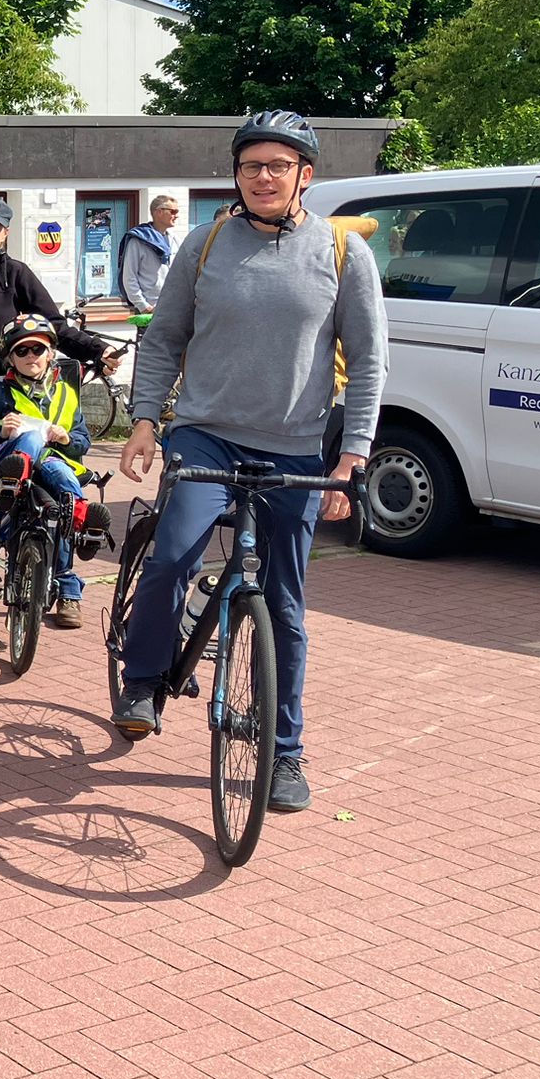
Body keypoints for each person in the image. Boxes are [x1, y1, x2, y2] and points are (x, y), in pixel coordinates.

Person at [111, 110, 387, 816]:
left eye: (278, 165)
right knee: (173, 556)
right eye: (250, 165)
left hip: (293, 445)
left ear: (305, 175)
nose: (263, 177)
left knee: (286, 606)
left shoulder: (342, 253)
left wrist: (352, 457)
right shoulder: (203, 245)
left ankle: (284, 751)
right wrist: (144, 421)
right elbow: (164, 338)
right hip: (205, 434)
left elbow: (368, 361)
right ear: (235, 175)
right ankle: (143, 678)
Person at [0, 197, 116, 510]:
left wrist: (98, 350)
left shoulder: (16, 274)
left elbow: (53, 326)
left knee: (21, 486)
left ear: (6, 234)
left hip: (6, 405)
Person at [0, 315, 112, 628]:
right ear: (10, 358)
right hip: (5, 462)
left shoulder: (67, 393)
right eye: (22, 351)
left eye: (38, 349)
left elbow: (83, 441)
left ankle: (81, 526)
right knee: (31, 437)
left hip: (50, 464)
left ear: (50, 353)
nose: (30, 356)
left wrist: (67, 438)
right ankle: (16, 479)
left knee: (60, 498)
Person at [119, 195, 181, 314]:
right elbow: (129, 277)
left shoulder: (175, 240)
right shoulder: (138, 241)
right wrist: (143, 306)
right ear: (159, 212)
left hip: (173, 307)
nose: (176, 216)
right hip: (149, 309)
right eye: (173, 211)